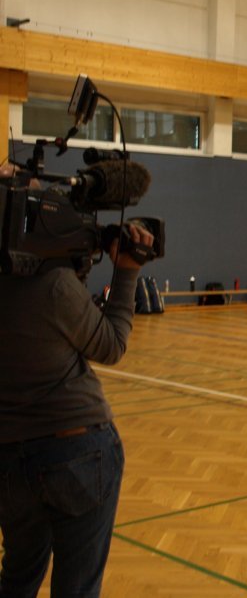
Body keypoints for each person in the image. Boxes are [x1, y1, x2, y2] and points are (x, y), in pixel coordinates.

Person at [0, 219, 154, 597]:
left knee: (17, 578)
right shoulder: (54, 285)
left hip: (8, 458)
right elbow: (111, 345)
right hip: (76, 449)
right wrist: (126, 272)